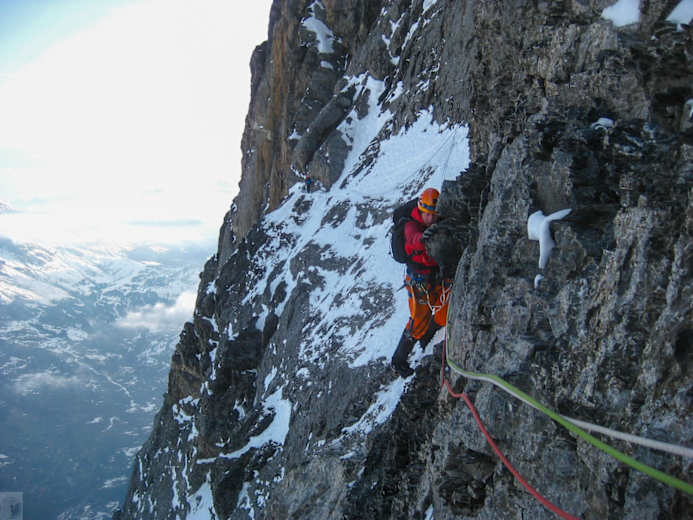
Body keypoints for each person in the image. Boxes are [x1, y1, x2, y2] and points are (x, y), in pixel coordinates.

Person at [391, 187, 451, 378]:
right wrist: (425, 238)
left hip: (436, 276)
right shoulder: (411, 225)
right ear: (420, 210)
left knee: (443, 313)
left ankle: (427, 337)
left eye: (433, 215)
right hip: (419, 281)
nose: (430, 218)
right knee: (418, 322)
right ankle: (398, 360)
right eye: (427, 214)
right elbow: (414, 239)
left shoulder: (435, 220)